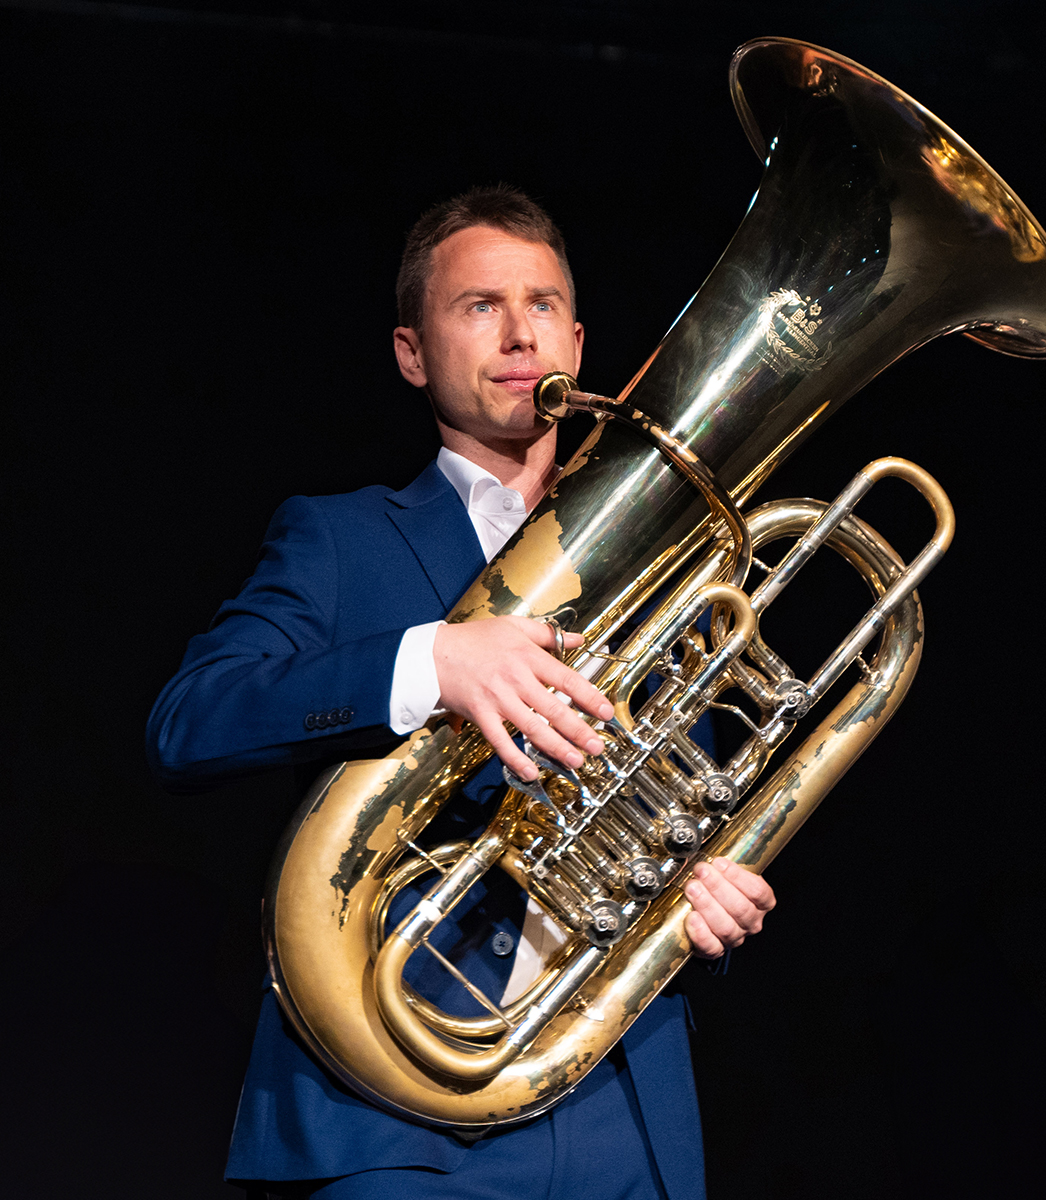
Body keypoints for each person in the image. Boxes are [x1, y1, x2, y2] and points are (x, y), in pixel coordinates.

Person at [148, 185, 775, 1200]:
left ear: (577, 341)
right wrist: (429, 663)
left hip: (624, 1116)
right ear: (411, 353)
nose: (520, 334)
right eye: (480, 306)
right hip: (393, 1119)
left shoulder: (672, 565)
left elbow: (684, 809)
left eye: (542, 305)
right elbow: (188, 722)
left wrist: (708, 896)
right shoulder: (340, 537)